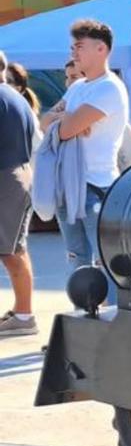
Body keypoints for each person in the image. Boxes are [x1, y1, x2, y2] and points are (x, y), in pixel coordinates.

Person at [36, 19, 127, 300]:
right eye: (73, 46)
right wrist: (69, 121)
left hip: (96, 188)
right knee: (77, 260)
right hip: (69, 187)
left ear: (101, 49)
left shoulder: (109, 88)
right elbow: (45, 122)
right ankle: (83, 319)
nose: (74, 52)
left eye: (80, 46)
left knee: (103, 263)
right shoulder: (77, 88)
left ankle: (111, 322)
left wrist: (67, 122)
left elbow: (63, 129)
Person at [0, 51, 38, 336]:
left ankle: (24, 316)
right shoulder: (16, 98)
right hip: (17, 174)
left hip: (5, 176)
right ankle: (23, 314)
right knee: (14, 248)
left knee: (11, 250)